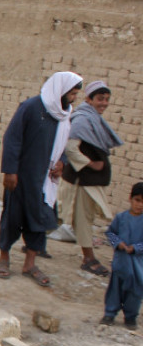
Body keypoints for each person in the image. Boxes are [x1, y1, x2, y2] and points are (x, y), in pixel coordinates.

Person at [0, 72, 83, 287]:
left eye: (75, 94)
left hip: (45, 182)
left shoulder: (65, 115)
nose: (73, 97)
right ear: (61, 90)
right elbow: (12, 138)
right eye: (71, 93)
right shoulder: (32, 107)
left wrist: (62, 162)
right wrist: (10, 171)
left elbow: (65, 145)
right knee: (13, 217)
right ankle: (4, 258)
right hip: (22, 177)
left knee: (39, 220)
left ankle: (29, 264)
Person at [58, 80, 123, 276]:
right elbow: (70, 148)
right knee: (83, 219)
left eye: (107, 99)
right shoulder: (83, 119)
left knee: (77, 216)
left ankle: (34, 244)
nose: (104, 103)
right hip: (83, 180)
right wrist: (90, 163)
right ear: (89, 99)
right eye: (100, 99)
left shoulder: (93, 118)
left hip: (91, 181)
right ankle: (88, 258)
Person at [101, 182, 143, 329]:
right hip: (121, 262)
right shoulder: (121, 217)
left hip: (137, 265)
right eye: (137, 200)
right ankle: (110, 313)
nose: (140, 205)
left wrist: (136, 248)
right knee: (115, 289)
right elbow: (110, 232)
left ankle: (131, 317)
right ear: (131, 199)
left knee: (135, 291)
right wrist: (118, 243)